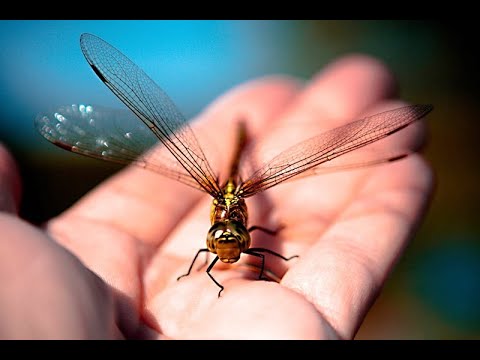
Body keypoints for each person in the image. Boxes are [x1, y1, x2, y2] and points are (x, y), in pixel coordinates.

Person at [0, 54, 434, 339]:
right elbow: (218, 264)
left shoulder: (250, 240)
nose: (227, 249)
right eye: (224, 240)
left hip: (241, 171)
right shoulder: (220, 248)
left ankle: (248, 130)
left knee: (387, 150)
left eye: (232, 240)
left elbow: (262, 248)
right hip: (222, 172)